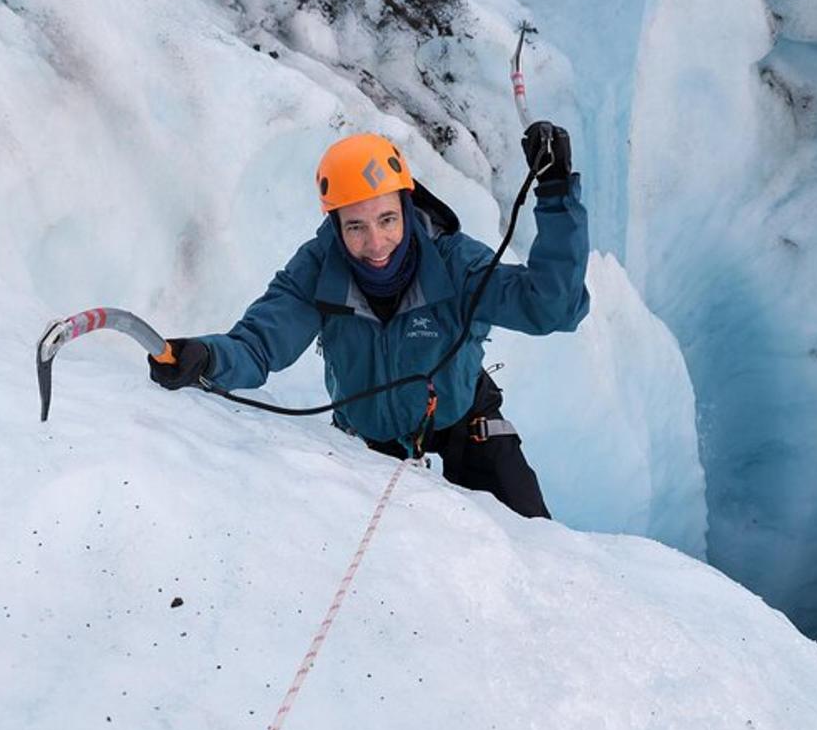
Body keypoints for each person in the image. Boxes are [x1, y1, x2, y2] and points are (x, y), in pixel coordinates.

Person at [148, 124, 589, 518]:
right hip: (367, 446)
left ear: (406, 205)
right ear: (335, 224)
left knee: (537, 552)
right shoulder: (317, 270)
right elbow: (258, 345)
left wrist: (554, 194)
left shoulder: (453, 262)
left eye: (387, 220)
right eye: (355, 226)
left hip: (463, 427)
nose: (376, 244)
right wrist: (204, 357)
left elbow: (550, 307)